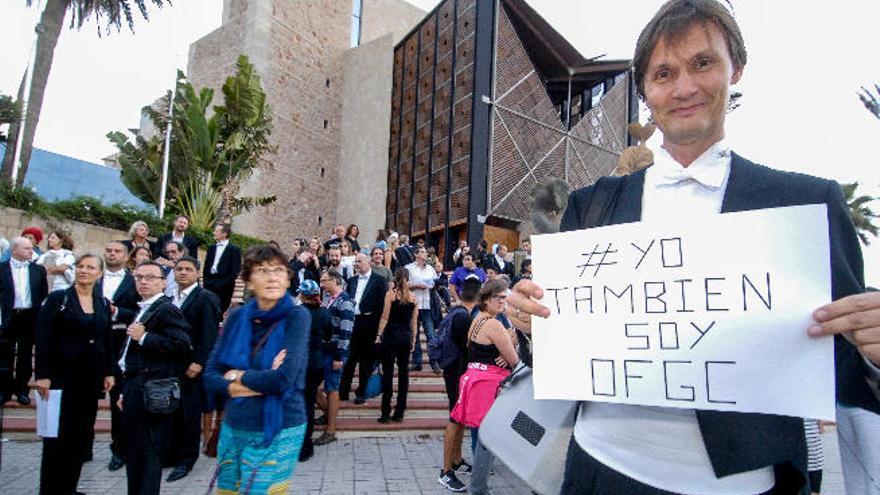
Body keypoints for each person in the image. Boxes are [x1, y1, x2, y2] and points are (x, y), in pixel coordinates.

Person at [507, 1, 880, 493]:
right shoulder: (590, 206)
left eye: (702, 63)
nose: (683, 88)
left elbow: (843, 368)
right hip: (599, 471)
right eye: (664, 73)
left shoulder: (807, 204)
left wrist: (873, 354)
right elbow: (565, 355)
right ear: (645, 90)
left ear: (736, 68)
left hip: (745, 483)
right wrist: (530, 322)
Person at [204, 245, 310, 494]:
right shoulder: (236, 317)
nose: (272, 276)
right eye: (262, 270)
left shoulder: (297, 317)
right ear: (248, 280)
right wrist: (258, 382)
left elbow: (283, 380)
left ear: (287, 278)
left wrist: (236, 376)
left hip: (280, 424)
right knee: (228, 490)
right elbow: (210, 375)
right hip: (235, 424)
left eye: (278, 270)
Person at [34, 253, 115, 495]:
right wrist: (43, 374)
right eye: (80, 266)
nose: (84, 271)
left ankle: (69, 487)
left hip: (89, 381)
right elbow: (44, 337)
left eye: (91, 267)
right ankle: (50, 490)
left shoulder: (101, 302)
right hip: (61, 378)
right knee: (57, 440)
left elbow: (106, 339)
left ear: (99, 274)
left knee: (80, 438)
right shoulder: (59, 299)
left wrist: (109, 371)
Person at [118, 261, 191, 495]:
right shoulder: (145, 307)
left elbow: (181, 345)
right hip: (134, 386)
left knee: (148, 454)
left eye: (150, 277)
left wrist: (145, 337)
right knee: (135, 453)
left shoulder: (166, 308)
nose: (144, 281)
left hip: (150, 391)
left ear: (163, 282)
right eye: (139, 277)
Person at [450, 279, 519, 495]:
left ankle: (479, 485)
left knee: (482, 434)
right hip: (489, 384)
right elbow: (514, 360)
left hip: (475, 379)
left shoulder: (477, 319)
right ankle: (479, 488)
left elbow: (489, 348)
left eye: (504, 297)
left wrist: (505, 345)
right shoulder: (495, 324)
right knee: (488, 437)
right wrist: (508, 347)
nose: (502, 301)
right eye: (498, 297)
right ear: (486, 299)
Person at [165, 256, 221, 482]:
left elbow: (208, 334)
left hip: (192, 366)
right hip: (171, 365)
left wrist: (199, 361)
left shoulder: (205, 298)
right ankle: (170, 454)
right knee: (172, 412)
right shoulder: (170, 299)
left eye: (188, 269)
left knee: (189, 415)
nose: (183, 273)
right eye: (179, 269)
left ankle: (186, 459)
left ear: (197, 273)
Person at [437, 276, 481, 492]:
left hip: (455, 370)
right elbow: (468, 347)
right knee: (455, 418)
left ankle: (456, 460)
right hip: (456, 371)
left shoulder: (458, 312)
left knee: (460, 416)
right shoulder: (463, 317)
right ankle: (445, 471)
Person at [99, 241, 140, 472]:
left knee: (117, 403)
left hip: (119, 346)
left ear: (126, 257)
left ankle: (119, 450)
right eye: (109, 250)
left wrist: (117, 311)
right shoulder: (95, 278)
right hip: (93, 347)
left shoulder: (134, 282)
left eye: (117, 251)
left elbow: (140, 311)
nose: (112, 254)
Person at [0, 237, 49, 404]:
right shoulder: (2, 268)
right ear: (14, 250)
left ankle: (22, 390)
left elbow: (43, 294)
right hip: (7, 315)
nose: (31, 251)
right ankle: (4, 390)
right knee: (4, 354)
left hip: (29, 316)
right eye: (27, 248)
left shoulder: (38, 270)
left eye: (32, 248)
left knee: (25, 355)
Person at [339, 253, 387, 405]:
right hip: (352, 322)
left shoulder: (379, 280)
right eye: (355, 262)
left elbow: (381, 306)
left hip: (369, 322)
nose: (357, 264)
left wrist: (377, 329)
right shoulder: (351, 280)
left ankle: (362, 392)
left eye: (359, 261)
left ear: (368, 262)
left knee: (366, 360)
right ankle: (343, 392)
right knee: (349, 359)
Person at [314, 269, 353, 446]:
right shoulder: (330, 300)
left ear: (334, 281)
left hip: (335, 352)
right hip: (325, 350)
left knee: (332, 388)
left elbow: (346, 331)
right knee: (316, 386)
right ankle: (329, 414)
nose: (321, 285)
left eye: (324, 281)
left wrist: (340, 356)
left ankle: (331, 429)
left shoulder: (345, 301)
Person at [373, 268, 417, 423]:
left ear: (395, 279)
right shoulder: (413, 297)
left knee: (388, 375)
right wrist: (413, 340)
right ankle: (400, 412)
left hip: (391, 338)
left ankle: (385, 413)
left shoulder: (390, 295)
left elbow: (384, 318)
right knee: (404, 376)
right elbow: (414, 322)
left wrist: (379, 335)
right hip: (405, 339)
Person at [296, 279, 331, 462]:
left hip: (299, 363)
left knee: (299, 405)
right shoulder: (324, 313)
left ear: (302, 295)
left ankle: (299, 444)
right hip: (316, 362)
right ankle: (306, 444)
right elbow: (329, 335)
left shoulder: (298, 313)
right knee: (308, 404)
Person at [406, 246, 439, 372]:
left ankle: (434, 361)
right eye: (423, 252)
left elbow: (435, 282)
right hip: (413, 304)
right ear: (416, 254)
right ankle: (417, 362)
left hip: (427, 305)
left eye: (426, 252)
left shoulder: (430, 268)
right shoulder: (409, 268)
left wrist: (434, 285)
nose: (425, 254)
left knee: (431, 334)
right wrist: (416, 285)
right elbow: (404, 284)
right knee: (415, 334)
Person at [203, 223, 242, 313]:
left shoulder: (234, 249)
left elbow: (235, 270)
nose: (213, 233)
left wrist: (223, 283)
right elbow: (206, 267)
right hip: (210, 283)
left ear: (224, 234)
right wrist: (206, 282)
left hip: (225, 286)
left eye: (216, 231)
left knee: (219, 311)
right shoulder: (211, 248)